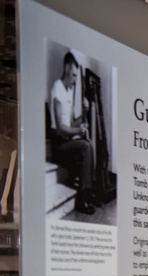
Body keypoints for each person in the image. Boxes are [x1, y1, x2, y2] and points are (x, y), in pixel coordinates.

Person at [49, 51, 97, 215]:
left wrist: (84, 112)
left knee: (88, 145)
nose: (75, 80)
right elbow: (62, 128)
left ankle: (88, 192)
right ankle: (82, 198)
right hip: (59, 143)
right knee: (85, 146)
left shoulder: (68, 91)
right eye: (74, 75)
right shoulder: (58, 88)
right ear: (67, 67)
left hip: (66, 141)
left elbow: (72, 123)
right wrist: (78, 130)